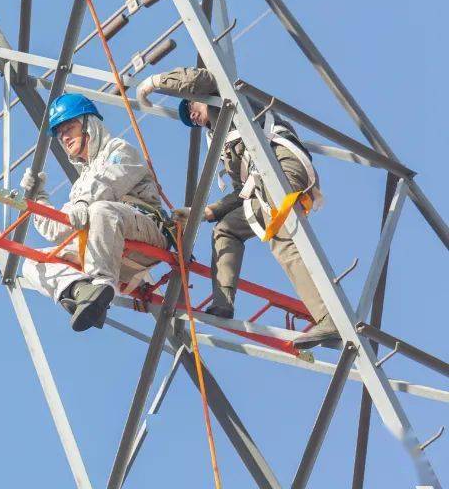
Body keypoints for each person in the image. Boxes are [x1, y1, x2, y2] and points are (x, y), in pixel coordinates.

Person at [136, 67, 339, 349]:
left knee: (280, 236)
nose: (191, 115)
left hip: (281, 165)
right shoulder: (225, 146)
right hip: (262, 184)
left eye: (190, 106)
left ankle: (329, 317)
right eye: (189, 119)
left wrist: (156, 83)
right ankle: (223, 305)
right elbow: (240, 192)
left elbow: (200, 79)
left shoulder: (224, 99)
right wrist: (205, 212)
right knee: (226, 230)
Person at [18, 94, 168, 332]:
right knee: (31, 262)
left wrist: (83, 203)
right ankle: (83, 293)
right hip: (109, 252)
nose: (64, 137)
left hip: (144, 233)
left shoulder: (119, 149)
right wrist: (38, 198)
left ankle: (101, 285)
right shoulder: (81, 184)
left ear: (90, 124)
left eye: (70, 127)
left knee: (100, 210)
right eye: (60, 133)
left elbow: (109, 182)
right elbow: (57, 229)